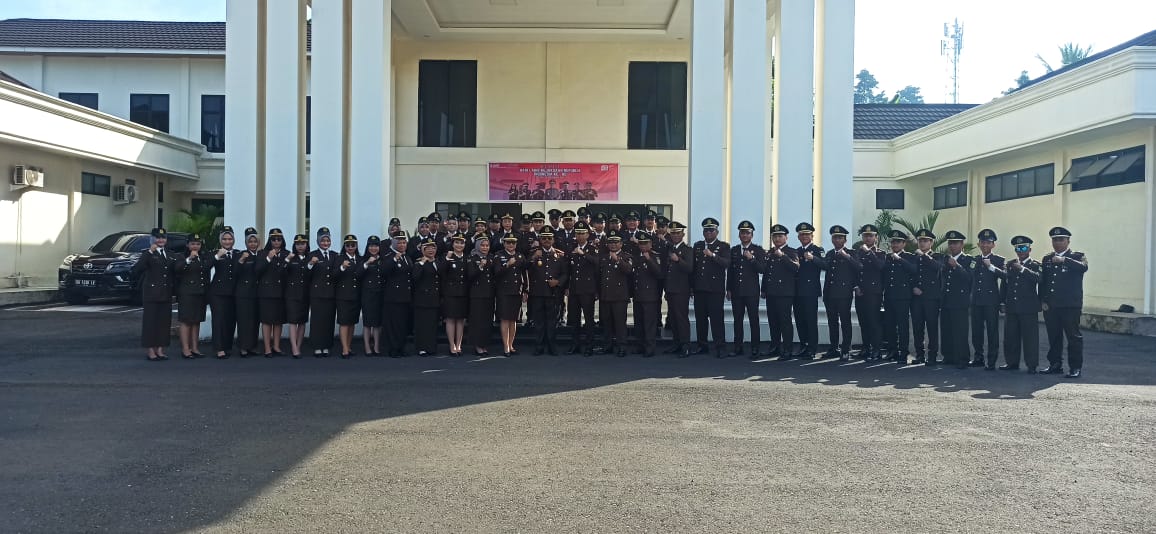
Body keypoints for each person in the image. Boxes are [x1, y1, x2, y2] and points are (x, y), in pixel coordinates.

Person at [1040, 226, 1088, 378]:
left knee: (1073, 337)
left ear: (1068, 241)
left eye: (1061, 239)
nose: (1057, 242)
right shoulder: (1047, 259)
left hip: (1070, 306)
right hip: (1052, 306)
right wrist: (1043, 300)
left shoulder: (1077, 256)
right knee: (1054, 337)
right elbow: (1043, 282)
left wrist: (1064, 260)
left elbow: (1083, 268)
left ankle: (1075, 367)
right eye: (1055, 240)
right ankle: (1055, 364)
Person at [132, 227, 176, 361]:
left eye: (163, 237)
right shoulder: (148, 253)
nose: (160, 240)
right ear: (152, 239)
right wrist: (150, 252)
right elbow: (137, 269)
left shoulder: (169, 253)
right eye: (158, 237)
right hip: (151, 293)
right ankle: (151, 350)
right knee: (151, 322)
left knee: (164, 322)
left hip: (166, 292)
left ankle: (160, 349)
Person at [1001, 235, 1041, 372]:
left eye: (1024, 248)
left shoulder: (1035, 265)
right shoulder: (1010, 265)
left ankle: (1031, 365)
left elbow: (1039, 278)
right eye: (1018, 248)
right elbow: (1005, 284)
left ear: (1030, 249)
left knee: (1030, 338)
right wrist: (1002, 301)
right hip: (1012, 306)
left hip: (1028, 307)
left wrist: (1022, 269)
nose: (1021, 251)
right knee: (1010, 336)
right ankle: (1012, 362)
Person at [692, 217, 731, 357]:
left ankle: (720, 346)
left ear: (717, 232)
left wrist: (713, 255)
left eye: (711, 230)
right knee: (700, 319)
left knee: (716, 320)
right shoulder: (698, 246)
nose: (708, 233)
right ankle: (702, 345)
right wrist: (692, 287)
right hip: (700, 288)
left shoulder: (723, 246)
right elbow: (694, 268)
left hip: (715, 290)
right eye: (706, 230)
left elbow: (726, 263)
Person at [526, 226, 567, 355]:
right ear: (540, 239)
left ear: (553, 240)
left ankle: (551, 346)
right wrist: (533, 257)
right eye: (544, 238)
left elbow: (565, 273)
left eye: (549, 238)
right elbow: (525, 267)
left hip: (553, 293)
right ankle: (539, 346)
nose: (547, 240)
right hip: (537, 293)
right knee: (538, 322)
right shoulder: (534, 253)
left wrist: (558, 282)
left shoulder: (559, 255)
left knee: (552, 322)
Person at [822, 225, 860, 360]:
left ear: (845, 240)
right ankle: (834, 347)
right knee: (832, 322)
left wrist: (847, 257)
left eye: (840, 238)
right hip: (830, 293)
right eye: (835, 238)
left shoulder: (851, 253)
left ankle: (846, 349)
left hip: (844, 293)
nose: (837, 240)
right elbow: (825, 266)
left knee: (845, 321)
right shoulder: (830, 253)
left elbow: (859, 267)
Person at [727, 220, 764, 358]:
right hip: (737, 291)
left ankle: (755, 347)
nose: (744, 235)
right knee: (737, 320)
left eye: (747, 233)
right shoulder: (734, 250)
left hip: (751, 291)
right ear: (739, 235)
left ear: (752, 235)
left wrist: (752, 258)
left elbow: (762, 269)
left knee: (754, 320)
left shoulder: (758, 250)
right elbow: (731, 271)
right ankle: (738, 347)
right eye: (742, 233)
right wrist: (728, 289)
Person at [762, 224, 799, 360]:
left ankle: (787, 350)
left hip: (784, 293)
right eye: (775, 236)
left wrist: (783, 256)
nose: (777, 239)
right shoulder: (770, 252)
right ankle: (775, 347)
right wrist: (763, 289)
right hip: (771, 292)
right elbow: (767, 273)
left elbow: (795, 268)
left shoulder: (791, 251)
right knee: (773, 321)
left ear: (786, 237)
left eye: (780, 236)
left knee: (785, 322)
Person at [881, 230, 918, 363]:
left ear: (904, 244)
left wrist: (900, 259)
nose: (895, 244)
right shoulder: (887, 257)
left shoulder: (909, 257)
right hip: (889, 295)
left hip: (903, 296)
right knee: (890, 325)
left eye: (898, 242)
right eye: (893, 242)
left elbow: (913, 270)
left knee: (902, 326)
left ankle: (903, 352)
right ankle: (892, 350)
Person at [971, 229, 1005, 369]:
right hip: (976, 300)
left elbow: (1005, 276)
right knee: (976, 331)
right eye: (983, 242)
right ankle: (978, 357)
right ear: (978, 244)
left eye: (988, 242)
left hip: (991, 301)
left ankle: (991, 360)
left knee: (992, 331)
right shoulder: (974, 260)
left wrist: (990, 266)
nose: (985, 245)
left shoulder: (999, 260)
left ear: (993, 245)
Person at [565, 221, 600, 356]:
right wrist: (567, 287)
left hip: (588, 289)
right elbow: (568, 270)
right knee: (574, 319)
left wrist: (583, 254)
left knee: (589, 319)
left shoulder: (592, 249)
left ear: (587, 235)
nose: (580, 236)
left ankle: (589, 346)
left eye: (582, 233)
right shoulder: (571, 248)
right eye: (578, 233)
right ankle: (575, 344)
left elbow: (597, 263)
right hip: (574, 289)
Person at [792, 222, 826, 359]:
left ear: (812, 236)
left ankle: (812, 348)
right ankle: (803, 345)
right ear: (798, 237)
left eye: (807, 234)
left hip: (810, 291)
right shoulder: (796, 251)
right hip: (797, 291)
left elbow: (825, 265)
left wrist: (814, 258)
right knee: (800, 320)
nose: (804, 236)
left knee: (811, 321)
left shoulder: (817, 250)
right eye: (802, 234)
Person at [940, 230, 973, 369]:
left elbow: (969, 278)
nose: (952, 246)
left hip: (960, 301)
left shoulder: (969, 260)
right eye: (950, 243)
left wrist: (956, 266)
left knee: (960, 331)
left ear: (962, 244)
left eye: (955, 243)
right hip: (946, 300)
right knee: (946, 330)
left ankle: (962, 358)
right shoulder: (945, 259)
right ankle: (948, 356)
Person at [853, 224, 886, 361]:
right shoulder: (858, 253)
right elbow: (855, 271)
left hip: (873, 293)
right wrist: (856, 286)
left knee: (873, 322)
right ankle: (865, 348)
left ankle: (876, 350)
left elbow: (880, 266)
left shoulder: (880, 253)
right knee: (863, 322)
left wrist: (869, 252)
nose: (867, 238)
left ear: (876, 237)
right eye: (865, 236)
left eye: (870, 236)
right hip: (860, 292)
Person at [598, 230, 634, 356]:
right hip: (606, 295)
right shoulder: (603, 257)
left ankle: (622, 346)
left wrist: (618, 260)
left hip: (619, 297)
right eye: (611, 242)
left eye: (616, 242)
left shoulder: (626, 256)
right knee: (606, 323)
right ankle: (607, 346)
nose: (613, 244)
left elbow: (629, 270)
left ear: (621, 244)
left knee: (620, 324)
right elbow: (599, 276)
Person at [911, 229, 943, 365]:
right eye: (920, 241)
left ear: (931, 242)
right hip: (916, 298)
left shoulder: (937, 256)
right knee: (917, 327)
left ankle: (932, 356)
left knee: (932, 327)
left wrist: (924, 256)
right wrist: (913, 287)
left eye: (925, 241)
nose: (922, 243)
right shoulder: (914, 257)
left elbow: (938, 267)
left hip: (931, 298)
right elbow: (910, 274)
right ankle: (919, 355)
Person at [174, 232, 209, 359]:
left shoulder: (202, 257)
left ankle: (195, 348)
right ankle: (185, 349)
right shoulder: (182, 257)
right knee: (186, 321)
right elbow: (177, 269)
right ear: (188, 245)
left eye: (198, 244)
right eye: (193, 244)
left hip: (199, 293)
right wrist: (189, 259)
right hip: (186, 293)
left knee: (196, 321)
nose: (195, 246)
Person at [663, 221, 695, 357]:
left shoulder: (687, 250)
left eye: (678, 233)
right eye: (673, 233)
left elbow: (689, 268)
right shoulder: (669, 248)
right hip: (670, 289)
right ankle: (676, 343)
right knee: (673, 318)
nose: (675, 235)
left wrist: (678, 260)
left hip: (681, 290)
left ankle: (685, 345)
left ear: (683, 234)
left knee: (681, 318)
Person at [256, 228, 289, 357]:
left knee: (278, 321)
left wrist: (286, 261)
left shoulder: (287, 254)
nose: (276, 241)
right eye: (273, 239)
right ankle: (267, 348)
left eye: (279, 239)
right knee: (267, 320)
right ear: (270, 241)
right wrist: (268, 258)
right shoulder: (262, 253)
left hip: (281, 291)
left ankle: (276, 346)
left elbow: (288, 273)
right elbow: (257, 270)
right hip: (266, 292)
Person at [307, 227, 339, 357]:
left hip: (330, 293)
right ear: (318, 241)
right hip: (317, 293)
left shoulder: (335, 255)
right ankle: (317, 346)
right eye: (323, 240)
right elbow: (306, 275)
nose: (325, 243)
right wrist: (310, 264)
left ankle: (326, 345)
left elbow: (336, 274)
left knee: (328, 321)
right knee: (317, 321)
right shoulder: (312, 255)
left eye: (327, 240)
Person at [208, 226, 239, 359]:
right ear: (221, 240)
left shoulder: (237, 253)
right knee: (219, 320)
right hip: (218, 292)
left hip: (233, 292)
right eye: (225, 239)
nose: (227, 241)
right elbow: (206, 266)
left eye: (230, 239)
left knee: (230, 320)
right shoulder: (215, 253)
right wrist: (217, 256)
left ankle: (227, 346)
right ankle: (219, 348)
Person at [632, 233, 664, 357]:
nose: (643, 246)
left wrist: (649, 259)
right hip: (638, 294)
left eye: (645, 243)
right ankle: (640, 346)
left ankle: (650, 348)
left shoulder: (655, 256)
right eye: (641, 243)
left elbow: (659, 273)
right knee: (638, 323)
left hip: (650, 296)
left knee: (649, 323)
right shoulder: (636, 257)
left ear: (650, 244)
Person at [494, 235, 526, 356]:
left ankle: (511, 344)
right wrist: (507, 265)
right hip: (504, 291)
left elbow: (524, 273)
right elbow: (496, 272)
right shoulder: (499, 255)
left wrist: (526, 290)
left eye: (513, 243)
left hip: (516, 291)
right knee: (505, 319)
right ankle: (506, 346)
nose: (511, 245)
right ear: (504, 243)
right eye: (508, 243)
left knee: (513, 319)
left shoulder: (520, 256)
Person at [382, 231, 413, 358]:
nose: (402, 245)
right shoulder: (389, 256)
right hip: (394, 297)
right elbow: (384, 270)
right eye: (399, 243)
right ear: (394, 243)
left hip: (405, 296)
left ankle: (401, 347)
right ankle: (393, 348)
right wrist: (394, 259)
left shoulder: (407, 257)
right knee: (394, 324)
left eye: (404, 242)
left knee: (402, 324)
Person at [466, 233, 496, 356]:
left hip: (489, 293)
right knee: (477, 320)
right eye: (482, 245)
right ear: (478, 246)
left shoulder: (491, 257)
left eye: (487, 245)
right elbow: (470, 275)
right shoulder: (472, 258)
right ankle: (477, 345)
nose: (485, 248)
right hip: (477, 294)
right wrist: (480, 267)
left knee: (487, 320)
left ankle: (484, 344)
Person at [234, 227, 262, 357]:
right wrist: (241, 261)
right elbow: (235, 273)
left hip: (257, 292)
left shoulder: (261, 255)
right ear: (246, 243)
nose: (253, 244)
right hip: (244, 293)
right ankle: (243, 347)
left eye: (255, 241)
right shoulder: (241, 254)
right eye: (250, 242)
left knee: (255, 321)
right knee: (244, 321)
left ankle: (253, 346)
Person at [412, 237, 442, 356]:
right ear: (423, 250)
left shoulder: (437, 261)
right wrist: (422, 262)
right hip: (422, 298)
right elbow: (415, 277)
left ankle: (431, 347)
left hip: (434, 297)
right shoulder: (419, 262)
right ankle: (421, 347)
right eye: (428, 248)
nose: (431, 250)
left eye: (433, 248)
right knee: (422, 324)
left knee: (432, 324)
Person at [441, 233, 469, 356]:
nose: (459, 245)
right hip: (450, 293)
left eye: (461, 243)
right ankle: (452, 345)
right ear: (452, 244)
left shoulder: (467, 258)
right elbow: (441, 271)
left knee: (460, 320)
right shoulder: (448, 256)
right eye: (457, 242)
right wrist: (447, 259)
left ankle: (458, 345)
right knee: (451, 319)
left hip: (463, 292)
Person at [335, 234, 362, 358]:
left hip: (356, 295)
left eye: (353, 245)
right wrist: (342, 267)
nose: (350, 247)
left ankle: (349, 346)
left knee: (352, 322)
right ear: (344, 246)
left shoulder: (360, 259)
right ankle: (344, 349)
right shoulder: (339, 258)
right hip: (343, 295)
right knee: (344, 322)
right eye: (348, 245)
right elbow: (334, 275)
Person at [284, 234, 311, 358]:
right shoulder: (291, 257)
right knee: (293, 321)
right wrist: (287, 260)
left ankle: (299, 346)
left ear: (306, 245)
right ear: (294, 245)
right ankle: (294, 347)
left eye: (303, 244)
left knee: (302, 321)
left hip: (305, 293)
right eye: (298, 244)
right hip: (292, 294)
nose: (300, 246)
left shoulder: (309, 258)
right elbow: (281, 272)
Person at [358, 235, 386, 356]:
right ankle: (367, 346)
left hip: (380, 293)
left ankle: (376, 346)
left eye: (376, 246)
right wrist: (367, 263)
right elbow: (358, 274)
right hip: (368, 294)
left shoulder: (383, 259)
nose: (373, 248)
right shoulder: (363, 259)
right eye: (371, 246)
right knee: (368, 322)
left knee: (377, 322)